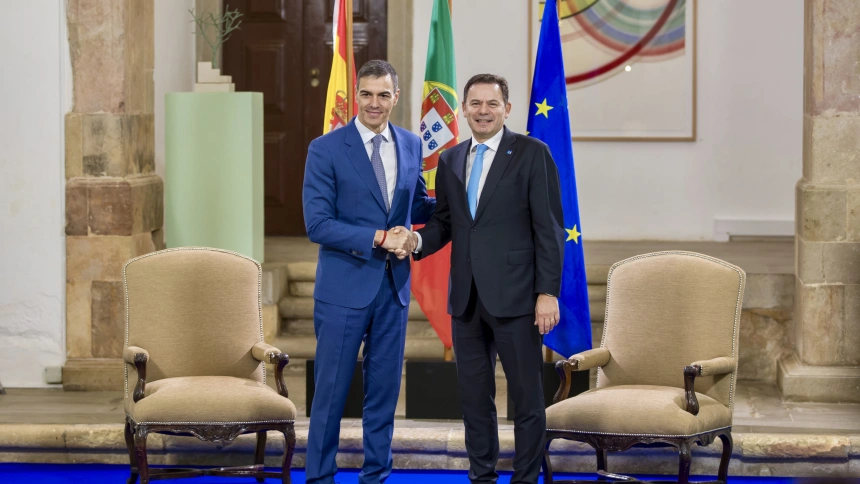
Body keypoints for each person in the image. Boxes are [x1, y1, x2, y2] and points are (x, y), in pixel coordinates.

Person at [411, 73, 564, 484]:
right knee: (475, 400)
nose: (483, 111)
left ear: (506, 109)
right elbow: (445, 223)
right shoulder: (450, 159)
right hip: (466, 300)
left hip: (517, 298)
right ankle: (482, 476)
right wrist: (414, 242)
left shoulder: (533, 153)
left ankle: (526, 478)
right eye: (475, 104)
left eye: (491, 104)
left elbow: (548, 229)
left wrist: (547, 292)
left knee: (528, 400)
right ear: (463, 109)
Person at [302, 59, 435, 484]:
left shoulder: (412, 145)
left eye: (383, 95)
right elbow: (317, 224)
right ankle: (320, 477)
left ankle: (376, 476)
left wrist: (468, 190)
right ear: (354, 96)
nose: (374, 103)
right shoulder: (325, 148)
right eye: (366, 94)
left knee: (383, 395)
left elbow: (417, 207)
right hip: (343, 288)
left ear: (396, 97)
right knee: (331, 395)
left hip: (393, 289)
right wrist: (380, 237)